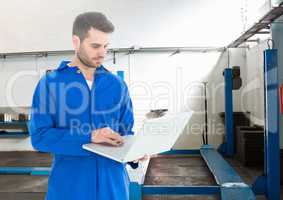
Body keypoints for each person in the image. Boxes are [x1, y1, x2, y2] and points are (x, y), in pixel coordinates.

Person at [29, 12, 140, 200]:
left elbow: (125, 132)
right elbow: (40, 137)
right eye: (95, 46)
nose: (103, 53)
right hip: (70, 189)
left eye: (106, 46)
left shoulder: (116, 85)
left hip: (114, 189)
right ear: (76, 42)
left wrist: (135, 152)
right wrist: (89, 136)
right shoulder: (51, 84)